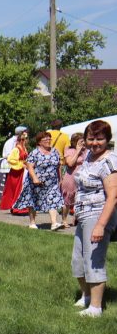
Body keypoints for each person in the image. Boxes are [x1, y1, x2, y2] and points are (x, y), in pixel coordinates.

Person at [70, 120, 117, 318]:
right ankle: (87, 295)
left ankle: (96, 308)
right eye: (91, 138)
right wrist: (77, 212)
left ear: (107, 139)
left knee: (93, 260)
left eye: (100, 139)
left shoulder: (109, 161)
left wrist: (100, 225)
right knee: (77, 261)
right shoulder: (89, 155)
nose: (95, 143)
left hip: (98, 214)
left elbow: (113, 195)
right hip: (83, 214)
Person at [13, 131, 65, 229]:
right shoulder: (35, 153)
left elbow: (58, 166)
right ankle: (32, 223)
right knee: (33, 201)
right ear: (39, 142)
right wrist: (35, 178)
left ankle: (54, 223)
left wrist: (60, 178)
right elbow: (30, 166)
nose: (48, 140)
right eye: (45, 139)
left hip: (52, 183)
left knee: (52, 199)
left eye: (49, 138)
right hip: (36, 182)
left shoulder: (55, 151)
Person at [0, 130, 29, 214]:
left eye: (25, 139)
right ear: (19, 140)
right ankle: (16, 207)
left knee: (21, 189)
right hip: (17, 172)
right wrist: (20, 164)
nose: (25, 141)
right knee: (16, 189)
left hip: (22, 172)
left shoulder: (24, 148)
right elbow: (10, 159)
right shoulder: (16, 149)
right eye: (23, 140)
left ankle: (20, 206)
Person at [61, 132, 84, 227]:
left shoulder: (87, 151)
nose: (83, 143)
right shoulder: (69, 151)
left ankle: (77, 219)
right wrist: (78, 151)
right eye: (81, 141)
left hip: (82, 178)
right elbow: (70, 163)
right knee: (68, 200)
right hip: (71, 178)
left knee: (81, 200)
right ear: (75, 142)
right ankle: (64, 220)